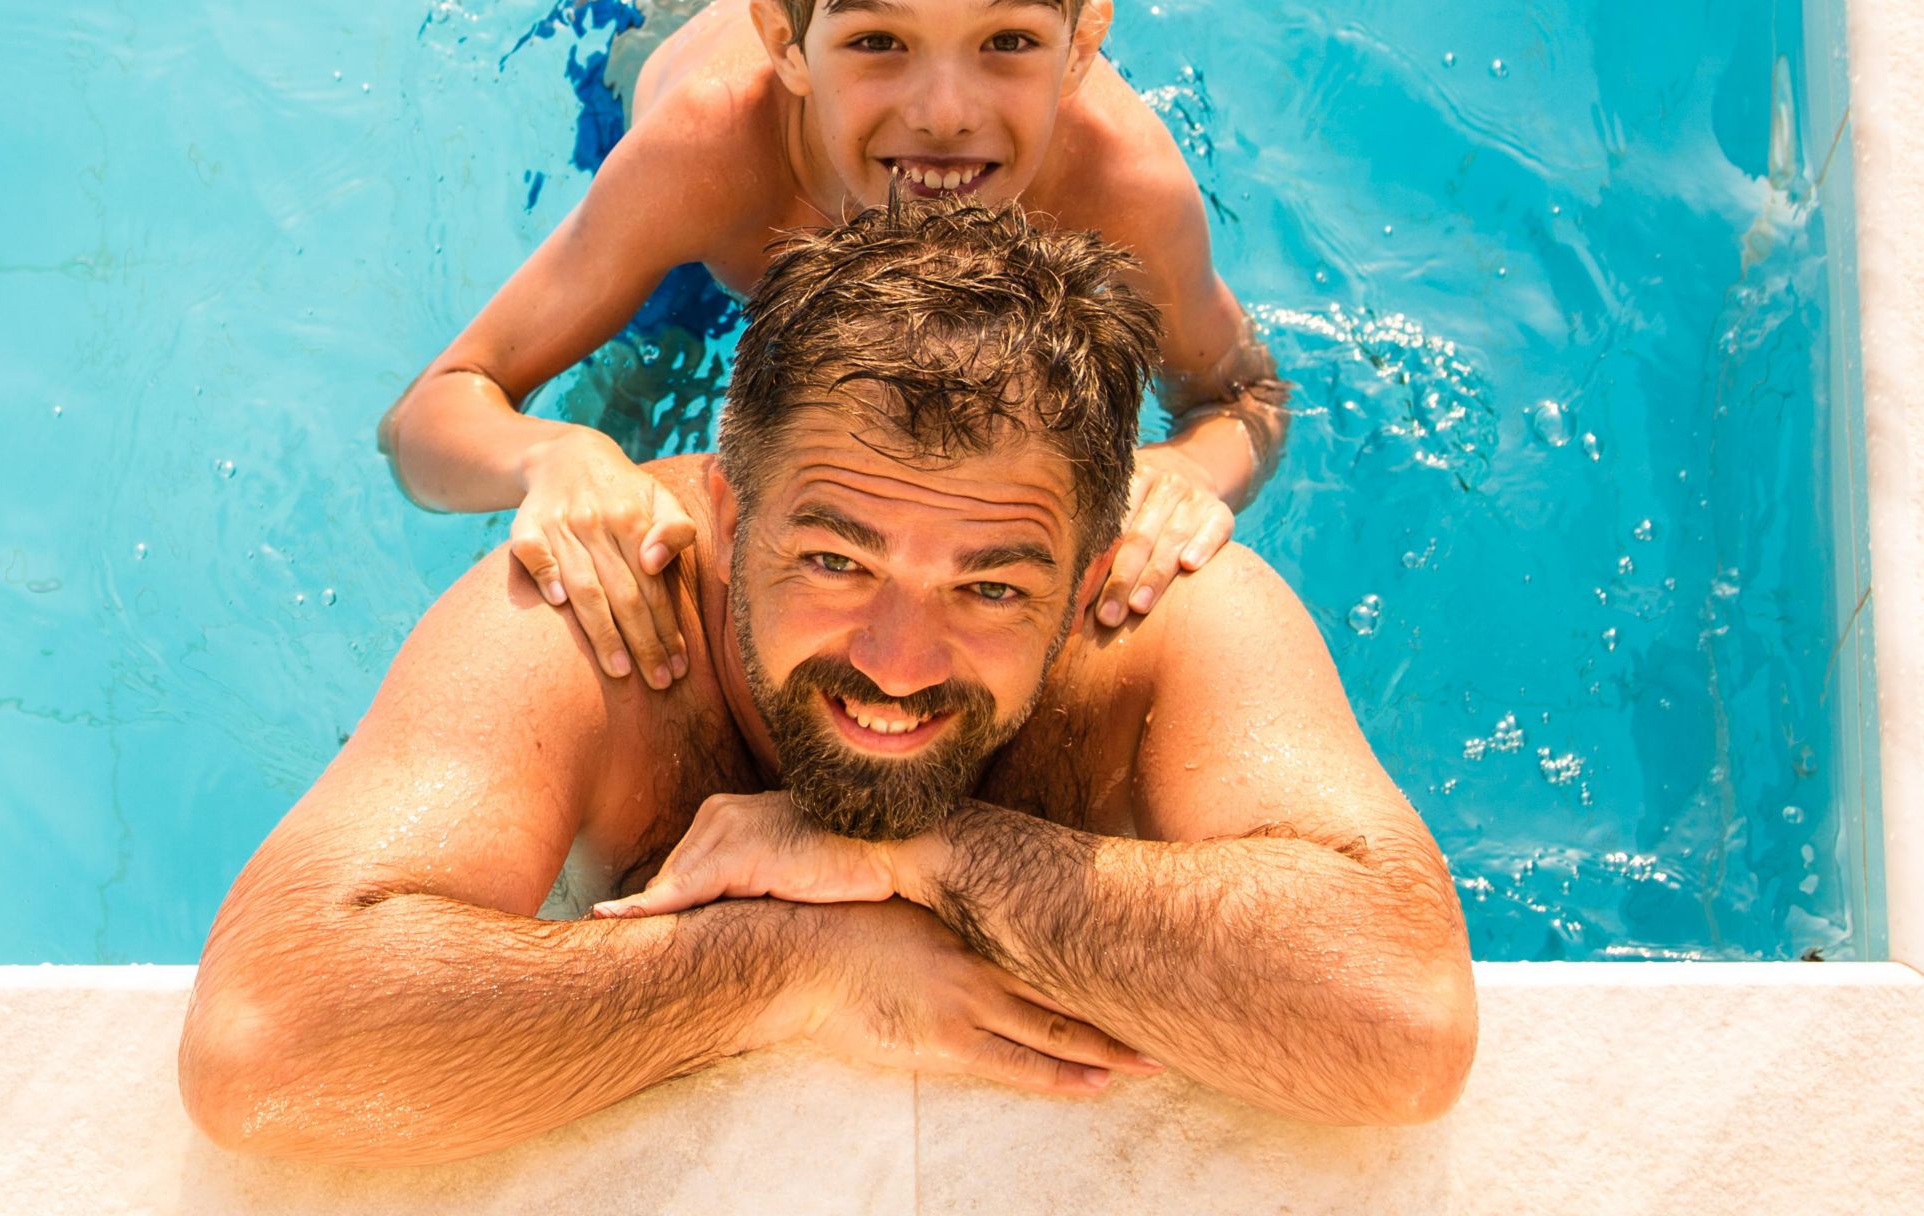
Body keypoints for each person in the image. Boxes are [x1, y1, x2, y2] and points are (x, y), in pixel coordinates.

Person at [191, 203, 1472, 1165]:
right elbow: (262, 1044)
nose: (896, 661)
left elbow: (1405, 1021)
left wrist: (937, 856)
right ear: (726, 514)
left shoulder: (1166, 613)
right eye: (834, 557)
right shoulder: (602, 619)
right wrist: (785, 960)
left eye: (989, 586)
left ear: (1089, 575)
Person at [383, 0, 1289, 695]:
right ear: (788, 46)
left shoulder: (1118, 184)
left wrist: (1190, 471)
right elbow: (431, 414)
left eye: (1010, 39)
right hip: (665, 13)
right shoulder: (712, 156)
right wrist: (550, 458)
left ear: (1080, 49)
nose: (946, 115)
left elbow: (1245, 397)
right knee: (637, 424)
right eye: (879, 42)